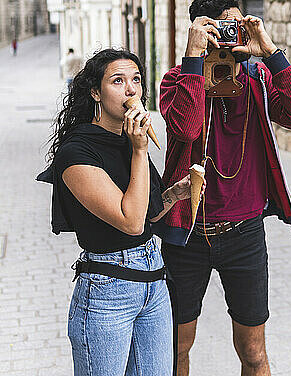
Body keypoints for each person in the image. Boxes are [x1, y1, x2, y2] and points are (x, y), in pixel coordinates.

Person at [159, 0, 291, 376]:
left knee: (254, 353)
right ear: (199, 30)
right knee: (176, 350)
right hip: (187, 234)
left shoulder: (258, 79)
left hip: (243, 234)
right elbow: (187, 125)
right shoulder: (177, 81)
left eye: (236, 26)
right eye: (220, 28)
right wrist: (194, 60)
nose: (229, 36)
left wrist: (271, 52)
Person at [42, 49, 198, 376]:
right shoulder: (76, 152)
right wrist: (140, 151)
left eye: (136, 80)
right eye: (118, 81)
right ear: (95, 92)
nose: (131, 91)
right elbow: (130, 221)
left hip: (153, 282)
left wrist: (173, 195)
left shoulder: (128, 141)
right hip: (107, 289)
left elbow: (149, 216)